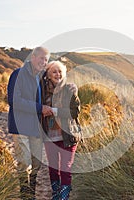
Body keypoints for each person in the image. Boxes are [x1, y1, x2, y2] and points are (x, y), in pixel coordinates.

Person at [7, 46, 53, 199]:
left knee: (36, 164)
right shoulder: (18, 74)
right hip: (20, 127)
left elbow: (56, 84)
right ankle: (25, 196)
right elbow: (14, 101)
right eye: (41, 58)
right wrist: (40, 108)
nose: (44, 62)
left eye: (46, 60)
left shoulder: (40, 77)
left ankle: (31, 193)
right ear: (33, 57)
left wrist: (70, 87)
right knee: (24, 164)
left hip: (36, 128)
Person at [41, 61, 80, 200]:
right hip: (49, 137)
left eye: (60, 72)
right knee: (52, 169)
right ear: (48, 75)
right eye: (54, 72)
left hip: (67, 136)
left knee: (65, 168)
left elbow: (74, 112)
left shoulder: (70, 89)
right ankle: (56, 195)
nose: (58, 74)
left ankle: (63, 197)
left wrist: (54, 111)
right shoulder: (43, 90)